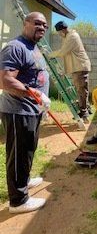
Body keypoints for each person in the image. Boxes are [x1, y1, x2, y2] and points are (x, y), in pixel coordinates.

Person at [0, 12, 51, 213]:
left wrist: (40, 102)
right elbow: (6, 80)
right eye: (37, 23)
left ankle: (25, 180)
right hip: (18, 111)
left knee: (28, 149)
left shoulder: (34, 47)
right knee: (18, 154)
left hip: (32, 110)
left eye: (44, 25)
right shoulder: (16, 47)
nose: (42, 27)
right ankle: (18, 201)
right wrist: (35, 94)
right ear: (26, 23)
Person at [49, 21, 91, 123]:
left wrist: (49, 54)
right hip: (77, 67)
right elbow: (67, 55)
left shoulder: (72, 36)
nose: (59, 35)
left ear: (63, 30)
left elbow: (63, 51)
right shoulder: (67, 37)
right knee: (80, 89)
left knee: (81, 90)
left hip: (80, 66)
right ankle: (86, 110)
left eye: (59, 33)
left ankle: (84, 112)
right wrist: (64, 70)